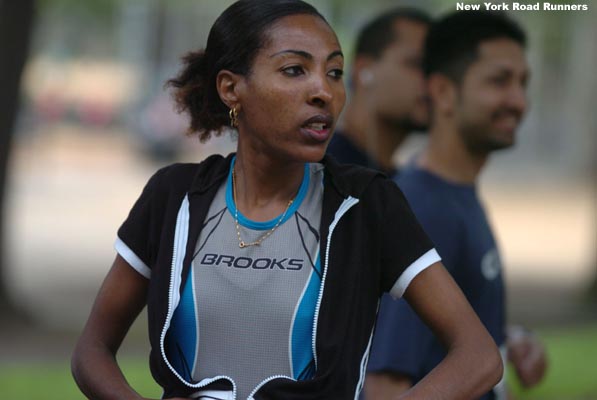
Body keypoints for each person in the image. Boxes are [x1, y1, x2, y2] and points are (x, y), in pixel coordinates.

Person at [71, 1, 503, 399]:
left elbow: (478, 356)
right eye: (295, 70)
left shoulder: (365, 203)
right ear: (231, 89)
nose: (323, 92)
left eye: (334, 73)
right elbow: (92, 350)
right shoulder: (173, 197)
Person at [365, 10, 547, 400]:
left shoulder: (454, 196)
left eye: (523, 82)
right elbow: (385, 385)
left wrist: (507, 340)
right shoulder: (424, 209)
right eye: (499, 81)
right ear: (443, 92)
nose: (518, 100)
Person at [327, 8, 431, 176]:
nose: (431, 81)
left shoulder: (396, 184)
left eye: (434, 70)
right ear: (363, 70)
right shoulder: (315, 172)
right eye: (416, 64)